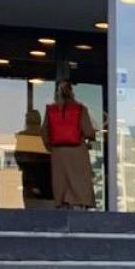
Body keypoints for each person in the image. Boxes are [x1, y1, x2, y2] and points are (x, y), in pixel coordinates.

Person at [41, 81, 97, 210]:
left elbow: (44, 132)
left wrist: (51, 148)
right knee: (79, 185)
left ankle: (62, 209)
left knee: (61, 184)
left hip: (58, 154)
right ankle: (78, 213)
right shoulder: (80, 109)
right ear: (72, 91)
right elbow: (88, 131)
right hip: (78, 152)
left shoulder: (51, 110)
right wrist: (92, 136)